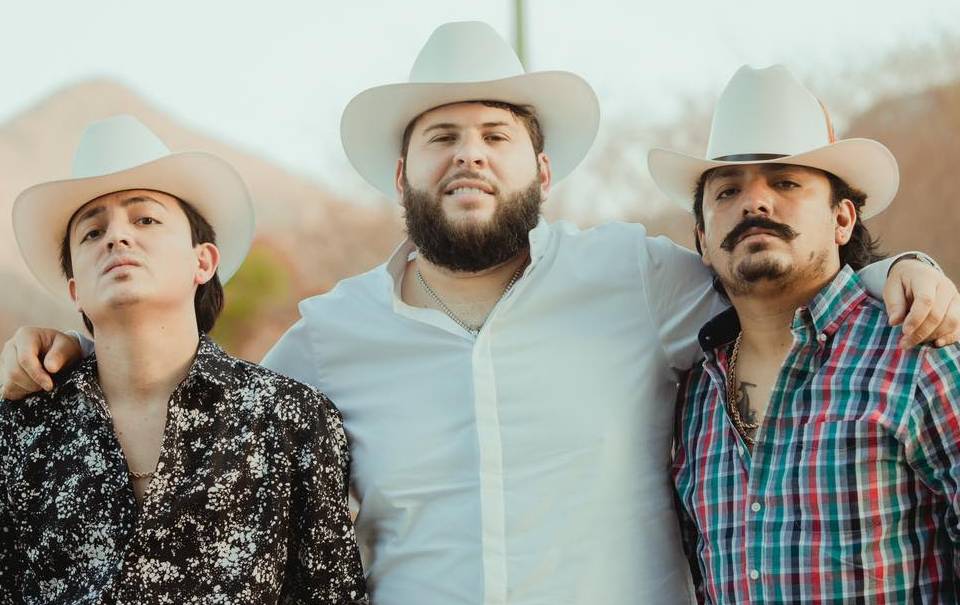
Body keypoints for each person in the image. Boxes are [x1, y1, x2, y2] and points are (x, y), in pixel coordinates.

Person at [2, 23, 958, 605]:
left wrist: (896, 272)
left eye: (498, 134)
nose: (471, 155)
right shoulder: (328, 340)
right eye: (442, 137)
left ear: (541, 170)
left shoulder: (635, 278)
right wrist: (64, 353)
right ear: (401, 174)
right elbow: (182, 393)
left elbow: (776, 274)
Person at [0, 115, 367, 603]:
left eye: (145, 219)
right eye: (91, 233)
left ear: (203, 262)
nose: (117, 237)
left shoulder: (290, 420)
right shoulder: (19, 429)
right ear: (75, 292)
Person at [660, 65, 960, 602]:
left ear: (842, 220)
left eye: (785, 183)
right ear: (703, 240)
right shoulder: (693, 397)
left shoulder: (918, 350)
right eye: (728, 190)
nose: (755, 203)